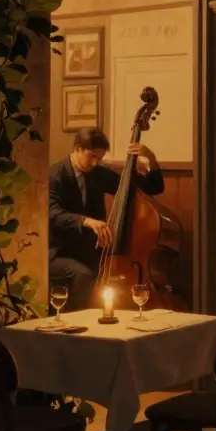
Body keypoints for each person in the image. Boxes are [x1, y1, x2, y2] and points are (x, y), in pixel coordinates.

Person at [48, 127, 164, 311]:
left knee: (111, 281)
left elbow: (150, 188)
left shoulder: (97, 174)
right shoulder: (54, 175)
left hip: (89, 250)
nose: (95, 163)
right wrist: (86, 221)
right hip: (58, 252)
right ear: (77, 148)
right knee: (84, 275)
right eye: (92, 156)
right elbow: (52, 214)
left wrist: (151, 158)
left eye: (99, 158)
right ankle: (75, 322)